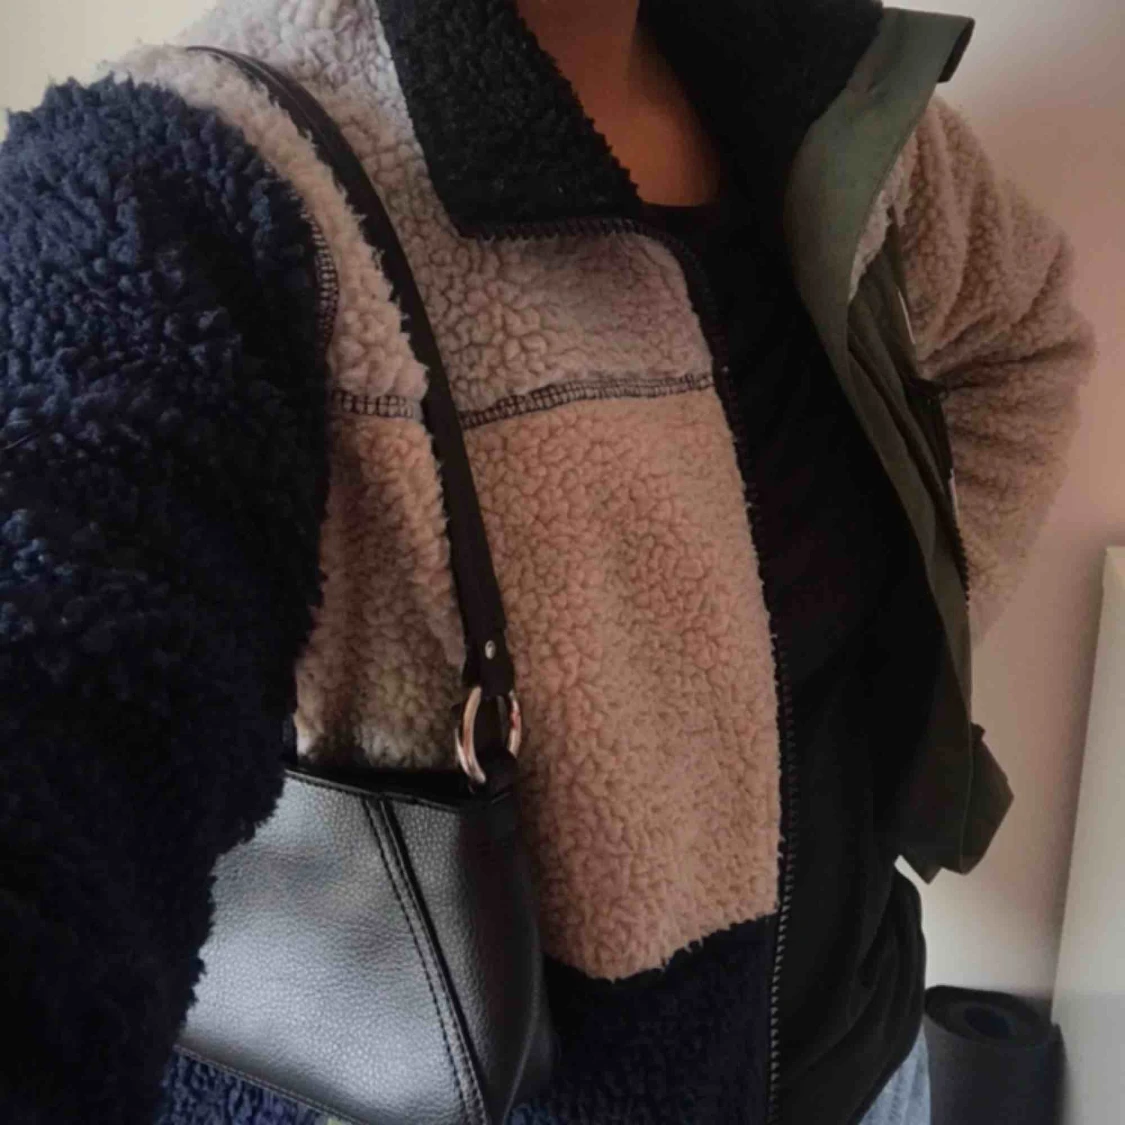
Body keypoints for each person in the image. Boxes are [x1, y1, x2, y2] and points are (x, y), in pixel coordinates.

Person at [0, 0, 1094, 1123]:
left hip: (867, 1055)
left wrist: (907, 657)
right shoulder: (185, 189)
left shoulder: (842, 104)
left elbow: (1018, 343)